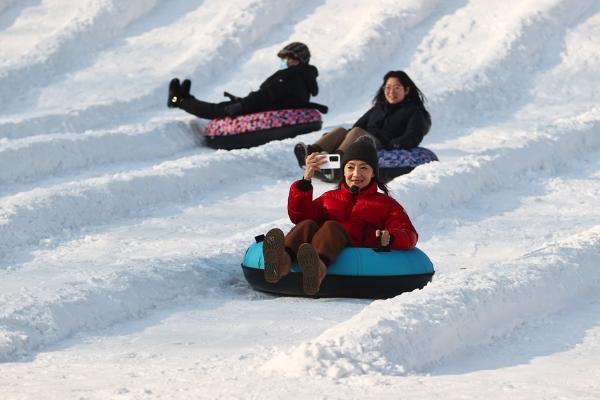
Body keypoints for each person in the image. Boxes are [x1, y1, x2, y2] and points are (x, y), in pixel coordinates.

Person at [263, 137, 418, 296]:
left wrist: (390, 238)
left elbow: (409, 233)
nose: (356, 174)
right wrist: (306, 180)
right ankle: (281, 261)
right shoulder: (330, 197)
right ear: (343, 171)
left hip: (355, 248)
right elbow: (300, 216)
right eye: (350, 167)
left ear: (373, 173)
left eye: (364, 168)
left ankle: (316, 271)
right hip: (319, 244)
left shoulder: (386, 204)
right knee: (307, 224)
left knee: (331, 227)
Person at [294, 70, 431, 171]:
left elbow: (413, 136)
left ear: (406, 90)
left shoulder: (414, 111)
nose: (391, 92)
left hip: (383, 143)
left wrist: (395, 144)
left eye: (397, 88)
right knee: (341, 130)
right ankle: (310, 153)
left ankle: (336, 161)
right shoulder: (378, 108)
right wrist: (340, 137)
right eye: (388, 87)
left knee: (357, 132)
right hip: (363, 139)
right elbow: (357, 126)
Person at [167, 42, 319, 119]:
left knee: (216, 109)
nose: (285, 61)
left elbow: (266, 95)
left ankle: (179, 100)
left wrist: (241, 105)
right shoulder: (304, 77)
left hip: (263, 109)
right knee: (224, 105)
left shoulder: (290, 75)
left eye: (287, 58)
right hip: (271, 108)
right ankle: (187, 98)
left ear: (296, 59)